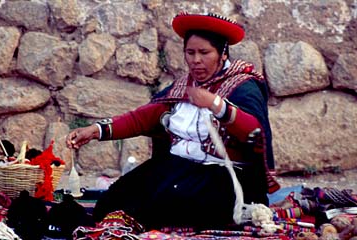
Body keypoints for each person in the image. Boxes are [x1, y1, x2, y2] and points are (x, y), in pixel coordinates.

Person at [66, 12, 280, 230]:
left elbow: (255, 132)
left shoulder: (244, 86)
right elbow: (142, 118)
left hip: (222, 176)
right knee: (111, 203)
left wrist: (217, 105)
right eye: (190, 52)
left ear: (223, 54)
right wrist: (96, 130)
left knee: (167, 207)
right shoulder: (182, 87)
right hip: (176, 167)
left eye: (204, 53)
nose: (196, 60)